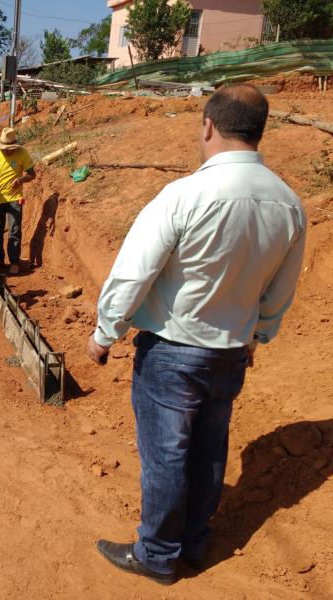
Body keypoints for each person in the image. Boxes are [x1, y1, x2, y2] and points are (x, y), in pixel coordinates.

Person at [87, 85, 306, 585]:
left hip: (172, 351)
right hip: (231, 354)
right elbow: (279, 291)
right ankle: (194, 542)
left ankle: (157, 554)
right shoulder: (289, 204)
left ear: (209, 126)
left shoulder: (184, 195)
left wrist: (104, 334)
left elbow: (134, 273)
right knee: (209, 450)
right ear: (259, 130)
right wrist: (257, 336)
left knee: (166, 455)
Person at [0, 127, 35, 275]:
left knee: (14, 230)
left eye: (9, 149)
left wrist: (20, 180)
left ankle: (14, 261)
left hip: (15, 198)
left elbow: (32, 174)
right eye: (4, 149)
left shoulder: (22, 153)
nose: (6, 151)